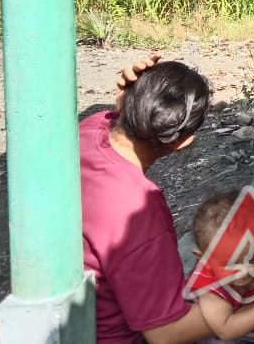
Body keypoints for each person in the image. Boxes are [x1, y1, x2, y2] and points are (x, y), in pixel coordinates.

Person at [82, 60, 214, 344]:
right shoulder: (138, 210)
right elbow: (165, 333)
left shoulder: (88, 130)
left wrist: (125, 100)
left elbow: (114, 118)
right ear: (182, 142)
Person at [186, 190, 254, 343]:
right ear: (204, 259)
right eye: (230, 264)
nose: (243, 271)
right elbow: (226, 330)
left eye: (252, 258)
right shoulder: (209, 287)